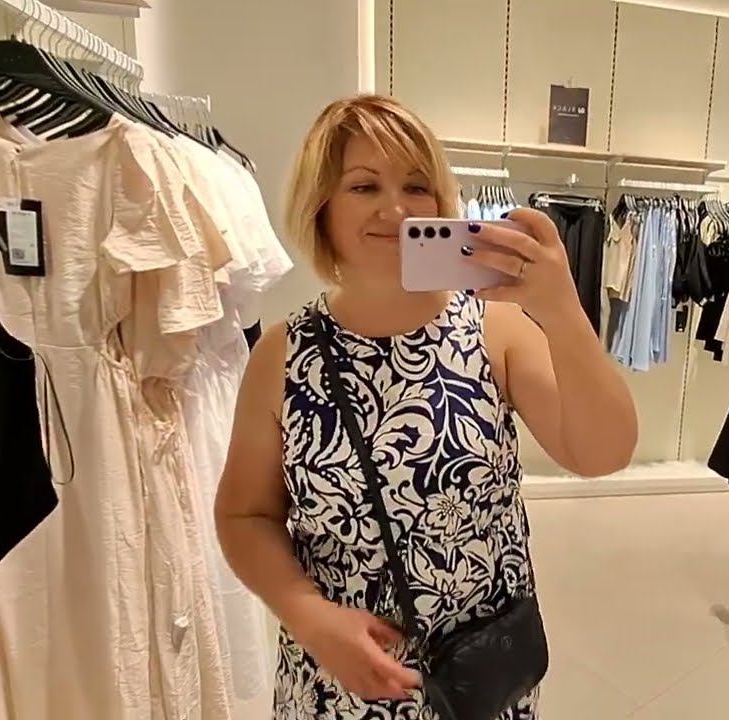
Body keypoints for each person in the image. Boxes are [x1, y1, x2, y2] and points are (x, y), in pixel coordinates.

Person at [214, 94, 638, 719]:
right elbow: (245, 514)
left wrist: (561, 309)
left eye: (416, 185)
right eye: (364, 186)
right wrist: (308, 616)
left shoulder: (494, 331)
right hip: (340, 684)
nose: (396, 209)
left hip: (481, 678)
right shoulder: (282, 355)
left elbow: (603, 454)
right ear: (321, 206)